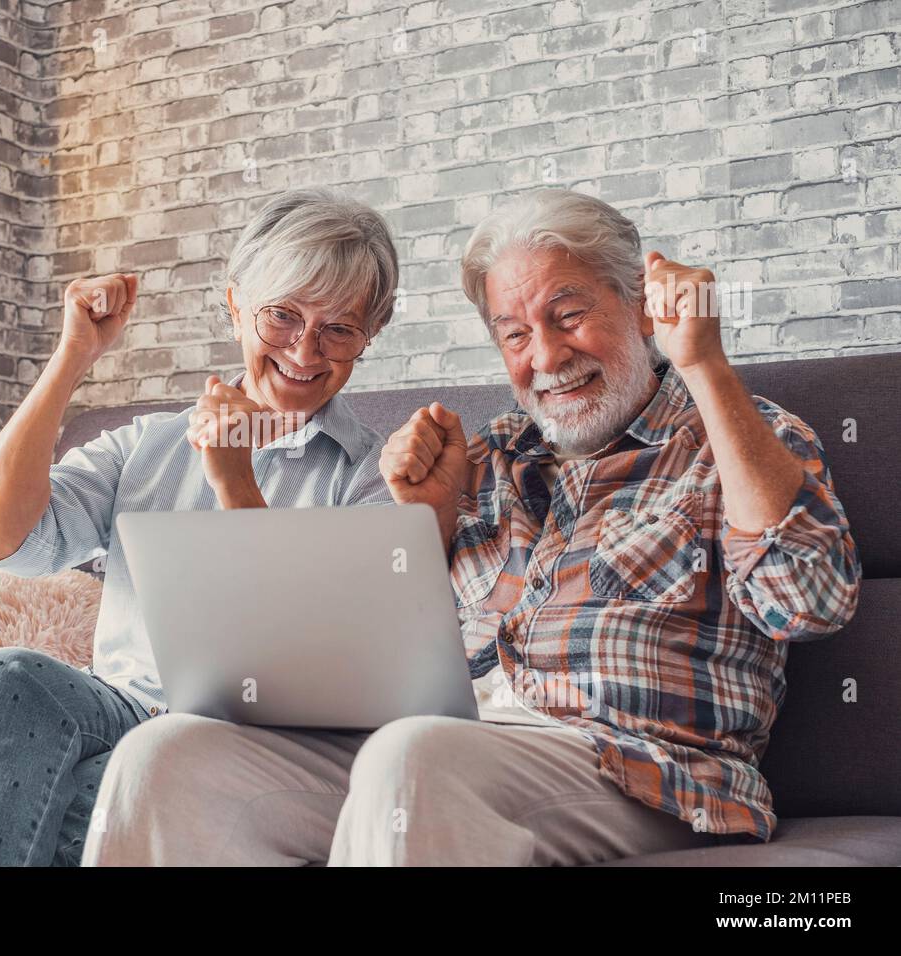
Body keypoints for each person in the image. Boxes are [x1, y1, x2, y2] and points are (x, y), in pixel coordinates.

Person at [81, 188, 861, 866]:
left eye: (570, 315)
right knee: (166, 757)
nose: (546, 355)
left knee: (415, 758)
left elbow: (808, 601)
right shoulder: (491, 458)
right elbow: (371, 662)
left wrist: (706, 366)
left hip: (647, 772)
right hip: (453, 748)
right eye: (514, 334)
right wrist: (432, 519)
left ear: (640, 305)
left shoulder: (741, 436)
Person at [0, 187, 400, 866]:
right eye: (283, 316)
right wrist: (73, 357)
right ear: (235, 307)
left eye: (340, 327)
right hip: (121, 715)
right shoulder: (147, 447)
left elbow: (315, 672)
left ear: (372, 335)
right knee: (12, 677)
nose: (305, 349)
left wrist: (233, 478)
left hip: (257, 743)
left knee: (100, 791)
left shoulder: (376, 479)